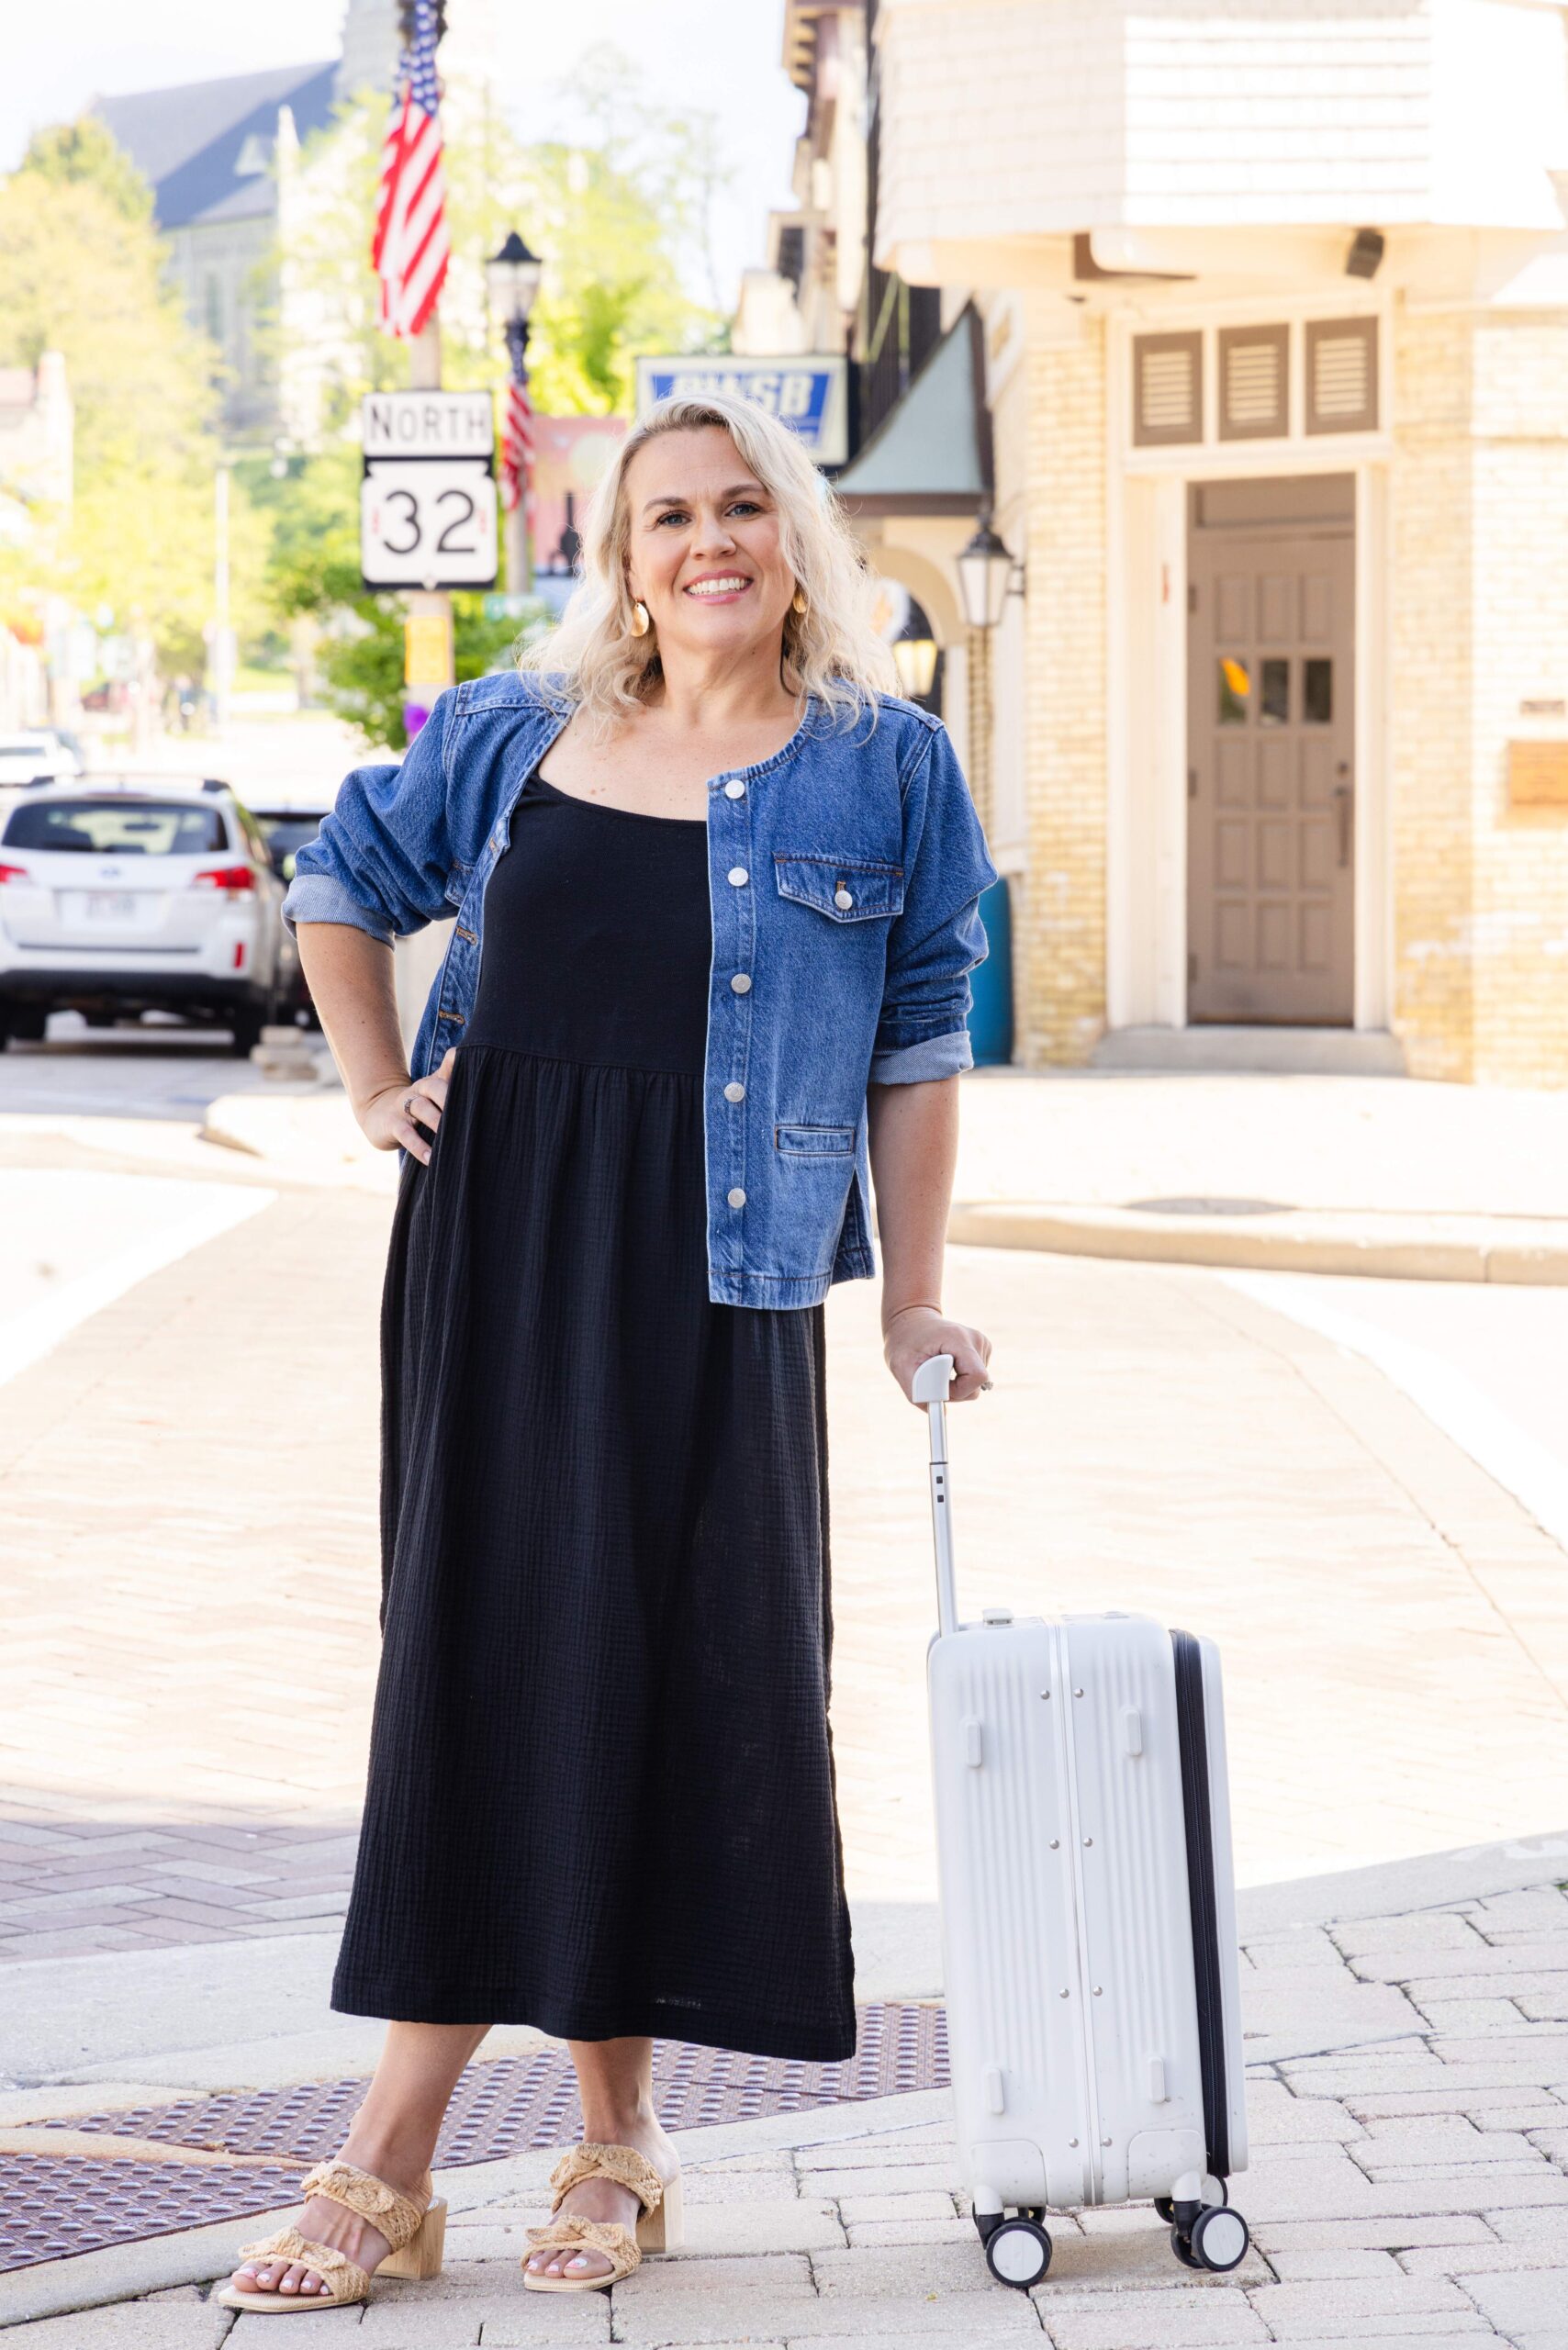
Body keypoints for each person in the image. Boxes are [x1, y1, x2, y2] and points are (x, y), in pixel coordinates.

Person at [219, 391, 997, 2316]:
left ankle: (604, 2140)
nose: (705, 539)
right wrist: (377, 1081)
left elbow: (919, 1040)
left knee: (667, 1662)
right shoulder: (510, 727)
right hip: (497, 1252)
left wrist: (907, 1291)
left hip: (723, 1274)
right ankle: (409, 2154)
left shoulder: (881, 766)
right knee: (489, 1656)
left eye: (741, 505)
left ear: (794, 530)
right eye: (665, 516)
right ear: (621, 554)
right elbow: (337, 877)